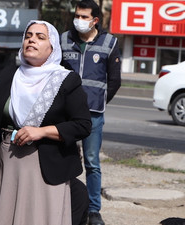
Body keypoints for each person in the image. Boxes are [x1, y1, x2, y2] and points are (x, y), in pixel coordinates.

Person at [0, 20, 92, 225]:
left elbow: (82, 125)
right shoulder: (11, 74)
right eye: (28, 36)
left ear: (52, 48)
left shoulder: (65, 80)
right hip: (8, 165)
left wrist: (42, 132)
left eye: (40, 37)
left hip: (44, 167)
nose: (32, 40)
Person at [60, 0, 122, 224]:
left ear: (95, 20)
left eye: (84, 17)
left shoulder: (109, 42)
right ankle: (64, 200)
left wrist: (99, 101)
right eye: (77, 15)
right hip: (66, 114)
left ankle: (94, 210)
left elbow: (115, 80)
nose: (79, 20)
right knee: (64, 158)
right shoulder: (64, 40)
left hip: (93, 113)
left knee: (92, 162)